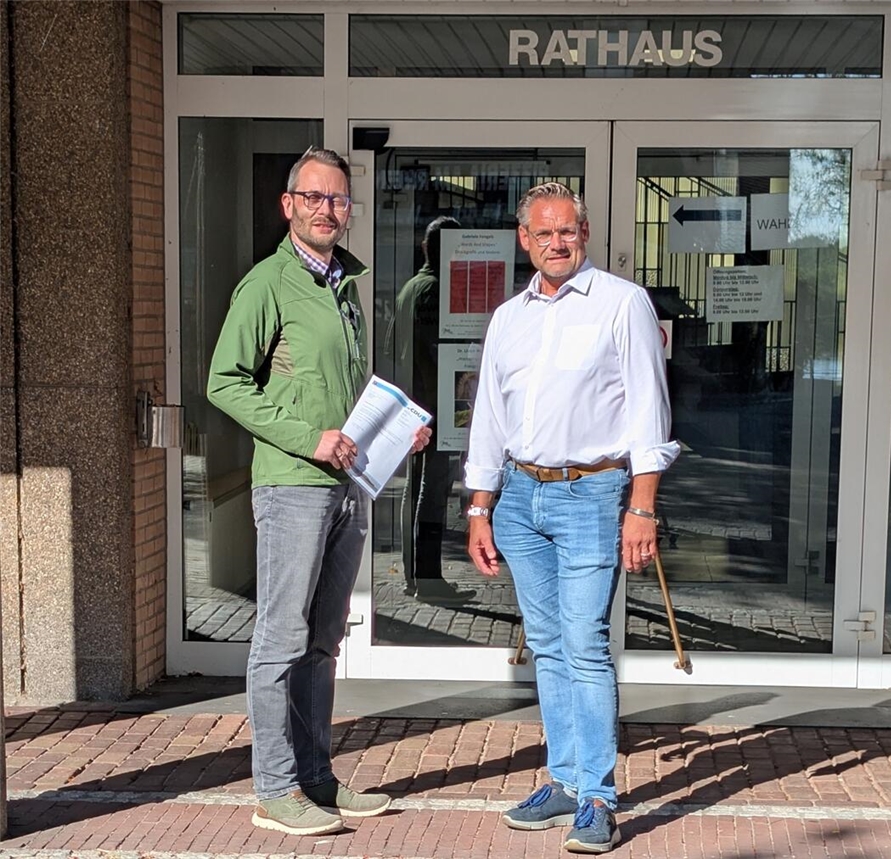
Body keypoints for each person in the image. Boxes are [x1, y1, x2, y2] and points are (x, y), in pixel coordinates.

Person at [207, 146, 431, 836]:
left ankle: (316, 778)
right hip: (294, 486)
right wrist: (309, 436)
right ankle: (275, 789)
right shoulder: (266, 286)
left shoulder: (345, 285)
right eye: (314, 198)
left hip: (345, 488)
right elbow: (225, 382)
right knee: (279, 639)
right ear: (289, 205)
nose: (328, 210)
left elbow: (349, 390)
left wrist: (397, 430)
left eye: (338, 200)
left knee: (322, 642)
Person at [465, 182, 679, 854]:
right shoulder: (508, 318)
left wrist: (642, 505)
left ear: (583, 233)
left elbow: (650, 411)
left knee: (585, 643)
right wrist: (480, 504)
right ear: (524, 239)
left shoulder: (623, 304)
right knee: (550, 644)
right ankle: (561, 780)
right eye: (545, 232)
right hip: (521, 502)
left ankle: (597, 796)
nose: (558, 243)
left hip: (592, 494)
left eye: (570, 231)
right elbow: (489, 421)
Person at [390, 216, 475, 604]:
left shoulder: (411, 288)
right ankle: (427, 578)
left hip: (415, 406)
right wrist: (445, 412)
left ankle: (416, 577)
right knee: (431, 494)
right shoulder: (435, 291)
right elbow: (435, 356)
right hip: (433, 409)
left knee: (416, 490)